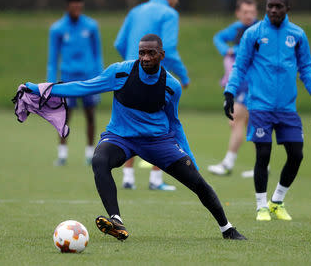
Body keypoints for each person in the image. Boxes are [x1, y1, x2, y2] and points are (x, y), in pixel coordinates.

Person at [26, 34, 246, 240]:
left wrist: (190, 157)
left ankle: (227, 229)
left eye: (151, 53)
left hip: (157, 141)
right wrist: (42, 89)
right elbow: (84, 87)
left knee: (198, 183)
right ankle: (117, 221)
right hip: (120, 137)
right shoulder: (120, 72)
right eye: (142, 53)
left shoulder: (172, 86)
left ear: (162, 55)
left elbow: (175, 124)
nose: (145, 58)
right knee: (100, 161)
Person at [224, 0, 311, 221]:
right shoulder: (253, 34)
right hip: (260, 106)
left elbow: (306, 66)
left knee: (296, 154)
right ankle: (261, 206)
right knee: (263, 154)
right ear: (266, 8)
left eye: (278, 6)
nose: (274, 10)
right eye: (270, 6)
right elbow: (240, 66)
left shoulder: (297, 34)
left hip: (287, 107)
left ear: (287, 9)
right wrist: (230, 92)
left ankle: (277, 201)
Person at [114, 0, 190, 191]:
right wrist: (183, 77)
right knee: (160, 124)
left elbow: (119, 42)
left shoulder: (135, 11)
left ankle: (128, 177)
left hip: (127, 75)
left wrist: (132, 63)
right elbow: (171, 51)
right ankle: (155, 180)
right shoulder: (169, 13)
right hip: (153, 80)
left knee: (129, 123)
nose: (176, 0)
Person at [47, 0, 103, 166]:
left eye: (80, 6)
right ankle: (62, 154)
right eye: (74, 6)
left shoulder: (91, 26)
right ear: (68, 7)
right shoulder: (57, 28)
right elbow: (52, 59)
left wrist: (101, 79)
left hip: (88, 79)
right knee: (64, 117)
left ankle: (90, 153)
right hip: (67, 79)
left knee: (90, 116)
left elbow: (97, 54)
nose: (77, 9)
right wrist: (50, 84)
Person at [208, 0, 258, 176]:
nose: (249, 16)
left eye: (252, 12)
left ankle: (228, 163)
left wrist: (234, 51)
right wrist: (225, 50)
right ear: (238, 13)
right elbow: (218, 37)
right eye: (245, 12)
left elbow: (251, 50)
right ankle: (262, 166)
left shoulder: (259, 30)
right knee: (247, 123)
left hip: (253, 84)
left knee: (237, 120)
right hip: (240, 83)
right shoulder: (236, 28)